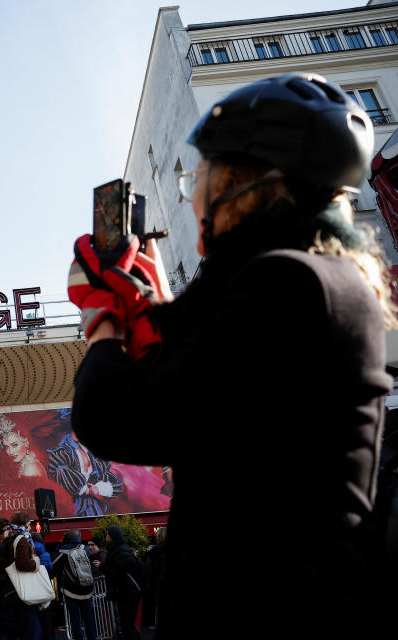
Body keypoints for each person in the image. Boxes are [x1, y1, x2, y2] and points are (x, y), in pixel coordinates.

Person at [68, 72, 392, 638]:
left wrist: (102, 321)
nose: (194, 192)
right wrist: (143, 295)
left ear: (239, 184)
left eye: (202, 175)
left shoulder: (285, 282)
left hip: (269, 608)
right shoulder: (316, 275)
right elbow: (199, 362)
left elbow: (119, 417)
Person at [0, 512, 38, 640]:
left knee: (14, 628)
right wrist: (36, 563)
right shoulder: (21, 538)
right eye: (28, 525)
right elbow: (23, 563)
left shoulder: (8, 538)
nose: (30, 528)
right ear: (23, 525)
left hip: (9, 589)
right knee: (28, 628)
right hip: (20, 589)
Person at [46, 432, 122, 516]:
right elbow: (63, 477)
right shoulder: (60, 452)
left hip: (91, 506)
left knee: (96, 525)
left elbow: (114, 483)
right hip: (70, 506)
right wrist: (85, 489)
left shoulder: (92, 453)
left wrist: (97, 488)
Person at [53, 529, 97, 640]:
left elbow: (53, 562)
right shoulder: (86, 549)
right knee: (89, 619)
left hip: (71, 591)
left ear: (67, 538)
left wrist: (61, 544)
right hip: (88, 589)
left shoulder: (64, 550)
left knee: (75, 619)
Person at [102, 526, 140, 640]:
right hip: (125, 593)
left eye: (107, 533)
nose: (106, 535)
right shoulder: (119, 549)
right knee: (127, 625)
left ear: (113, 535)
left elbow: (118, 572)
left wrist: (103, 567)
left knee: (127, 626)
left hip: (128, 593)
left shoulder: (121, 551)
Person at [0, 414, 46, 478]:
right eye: (6, 447)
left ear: (26, 442)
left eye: (15, 445)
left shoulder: (30, 469)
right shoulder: (25, 463)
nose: (11, 452)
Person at [31, 533, 55, 640]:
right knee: (47, 616)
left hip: (33, 587)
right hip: (45, 586)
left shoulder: (29, 551)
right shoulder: (46, 554)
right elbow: (50, 569)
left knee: (34, 617)